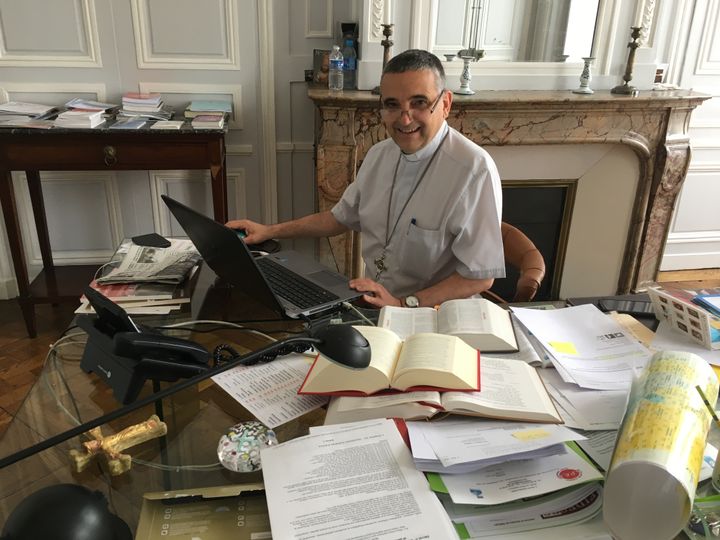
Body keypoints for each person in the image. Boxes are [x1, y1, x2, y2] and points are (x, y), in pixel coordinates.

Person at [228, 49, 505, 308]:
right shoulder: (379, 155)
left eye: (419, 103)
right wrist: (269, 231)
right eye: (392, 105)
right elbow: (339, 218)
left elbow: (479, 276)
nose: (405, 119)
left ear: (445, 104)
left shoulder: (475, 170)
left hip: (432, 315)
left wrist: (405, 304)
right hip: (373, 302)